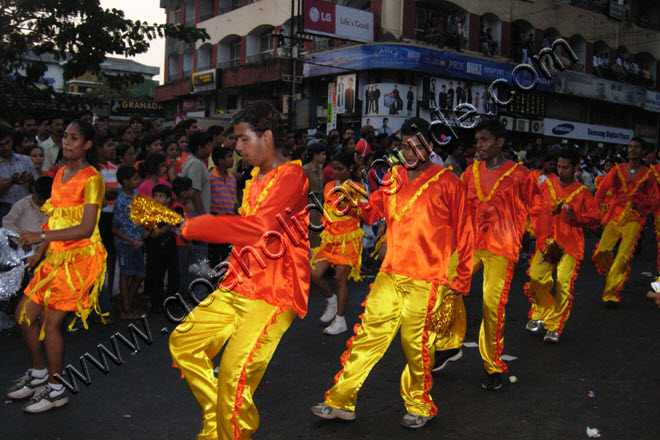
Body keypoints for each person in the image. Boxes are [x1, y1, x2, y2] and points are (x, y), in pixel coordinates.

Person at [311, 117, 473, 429]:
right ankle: (340, 401)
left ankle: (419, 405)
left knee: (416, 346)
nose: (410, 152)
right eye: (404, 146)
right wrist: (351, 202)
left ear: (430, 146)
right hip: (390, 274)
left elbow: (465, 235)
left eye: (417, 146)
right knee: (367, 338)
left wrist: (458, 281)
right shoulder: (394, 176)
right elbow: (374, 210)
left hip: (428, 279)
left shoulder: (450, 183)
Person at [169, 102, 310, 440]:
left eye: (243, 140)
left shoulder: (293, 175)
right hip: (241, 283)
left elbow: (259, 229)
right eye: (236, 141)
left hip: (274, 292)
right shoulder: (256, 178)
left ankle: (229, 429)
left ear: (268, 137)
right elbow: (252, 235)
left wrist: (193, 227)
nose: (238, 149)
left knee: (235, 375)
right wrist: (234, 260)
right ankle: (217, 415)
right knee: (185, 342)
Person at [9, 119, 107, 413]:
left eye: (74, 138)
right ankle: (39, 373)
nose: (66, 142)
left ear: (87, 144)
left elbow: (86, 229)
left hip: (79, 260)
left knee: (51, 324)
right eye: (64, 137)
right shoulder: (60, 174)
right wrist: (39, 252)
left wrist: (40, 236)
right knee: (24, 315)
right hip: (54, 257)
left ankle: (56, 388)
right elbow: (56, 218)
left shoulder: (93, 179)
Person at [459, 119, 551, 390]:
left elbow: (538, 209)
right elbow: (458, 207)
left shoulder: (521, 175)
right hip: (471, 245)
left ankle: (492, 365)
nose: (479, 146)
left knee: (491, 305)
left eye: (484, 140)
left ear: (500, 143)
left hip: (501, 249)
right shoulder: (469, 172)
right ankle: (447, 344)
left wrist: (544, 245)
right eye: (477, 141)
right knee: (442, 286)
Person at [524, 149, 599, 343]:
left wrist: (577, 217)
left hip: (571, 245)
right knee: (536, 278)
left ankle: (554, 326)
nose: (561, 170)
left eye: (565, 167)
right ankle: (543, 310)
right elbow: (534, 206)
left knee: (563, 284)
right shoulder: (547, 184)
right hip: (549, 242)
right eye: (558, 166)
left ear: (575, 168)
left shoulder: (583, 193)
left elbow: (596, 218)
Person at [592, 138, 660, 307]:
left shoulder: (649, 174)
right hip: (614, 217)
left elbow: (655, 198)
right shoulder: (617, 169)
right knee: (602, 252)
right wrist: (595, 213)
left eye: (636, 147)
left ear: (642, 151)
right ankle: (613, 273)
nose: (632, 150)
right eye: (630, 147)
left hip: (634, 219)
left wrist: (641, 205)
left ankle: (611, 294)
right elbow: (602, 190)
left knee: (623, 257)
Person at [310, 150, 365, 335]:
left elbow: (365, 213)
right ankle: (331, 301)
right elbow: (327, 210)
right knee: (315, 274)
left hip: (349, 239)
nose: (336, 172)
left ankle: (340, 321)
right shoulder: (329, 186)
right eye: (334, 168)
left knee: (340, 278)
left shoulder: (357, 188)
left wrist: (350, 207)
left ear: (350, 168)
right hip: (331, 238)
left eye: (340, 169)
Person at [112, 166, 145, 319]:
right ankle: (126, 307)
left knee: (139, 274)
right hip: (126, 243)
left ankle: (128, 303)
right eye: (134, 179)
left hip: (137, 241)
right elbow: (115, 228)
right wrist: (131, 240)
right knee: (126, 274)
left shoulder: (135, 195)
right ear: (125, 181)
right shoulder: (121, 200)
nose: (137, 181)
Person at [144, 184, 180, 313]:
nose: (157, 199)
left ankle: (172, 303)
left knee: (173, 276)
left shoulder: (172, 212)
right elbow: (150, 234)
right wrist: (166, 228)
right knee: (156, 277)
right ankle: (156, 305)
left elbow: (177, 227)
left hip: (170, 246)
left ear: (168, 199)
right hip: (155, 248)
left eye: (161, 196)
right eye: (156, 196)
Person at [181, 131, 212, 266]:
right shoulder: (196, 164)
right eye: (207, 146)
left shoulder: (192, 161)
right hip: (197, 220)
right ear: (199, 148)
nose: (210, 149)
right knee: (199, 263)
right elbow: (194, 192)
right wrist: (204, 216)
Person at [0, 125, 37, 219]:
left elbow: (36, 188)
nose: (6, 147)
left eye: (8, 143)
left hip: (26, 209)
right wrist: (8, 184)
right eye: (1, 145)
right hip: (5, 211)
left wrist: (30, 180)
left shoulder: (25, 160)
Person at [208, 146, 237, 267]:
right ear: (220, 161)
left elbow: (231, 199)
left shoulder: (232, 179)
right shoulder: (211, 178)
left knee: (227, 251)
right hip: (215, 219)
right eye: (229, 157)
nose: (232, 160)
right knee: (215, 252)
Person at [303, 142, 326, 248]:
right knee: (311, 233)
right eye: (322, 154)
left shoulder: (320, 169)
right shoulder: (306, 169)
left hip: (320, 204)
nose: (324, 157)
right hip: (310, 205)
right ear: (315, 155)